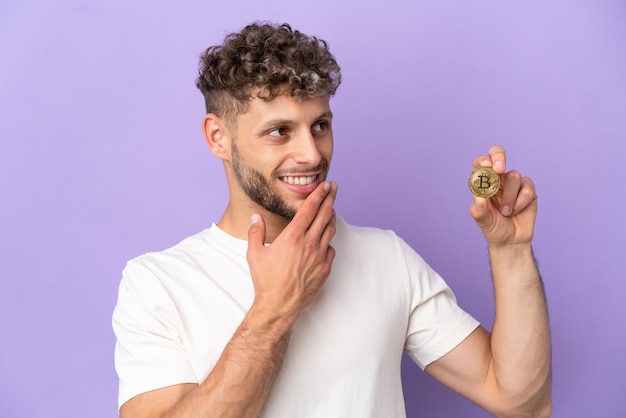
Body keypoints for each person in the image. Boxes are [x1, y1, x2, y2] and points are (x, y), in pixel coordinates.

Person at [112, 22, 552, 418]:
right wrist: (275, 307)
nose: (311, 153)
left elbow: (521, 402)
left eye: (320, 125)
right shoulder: (158, 283)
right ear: (218, 137)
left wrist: (510, 251)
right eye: (280, 131)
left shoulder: (386, 258)